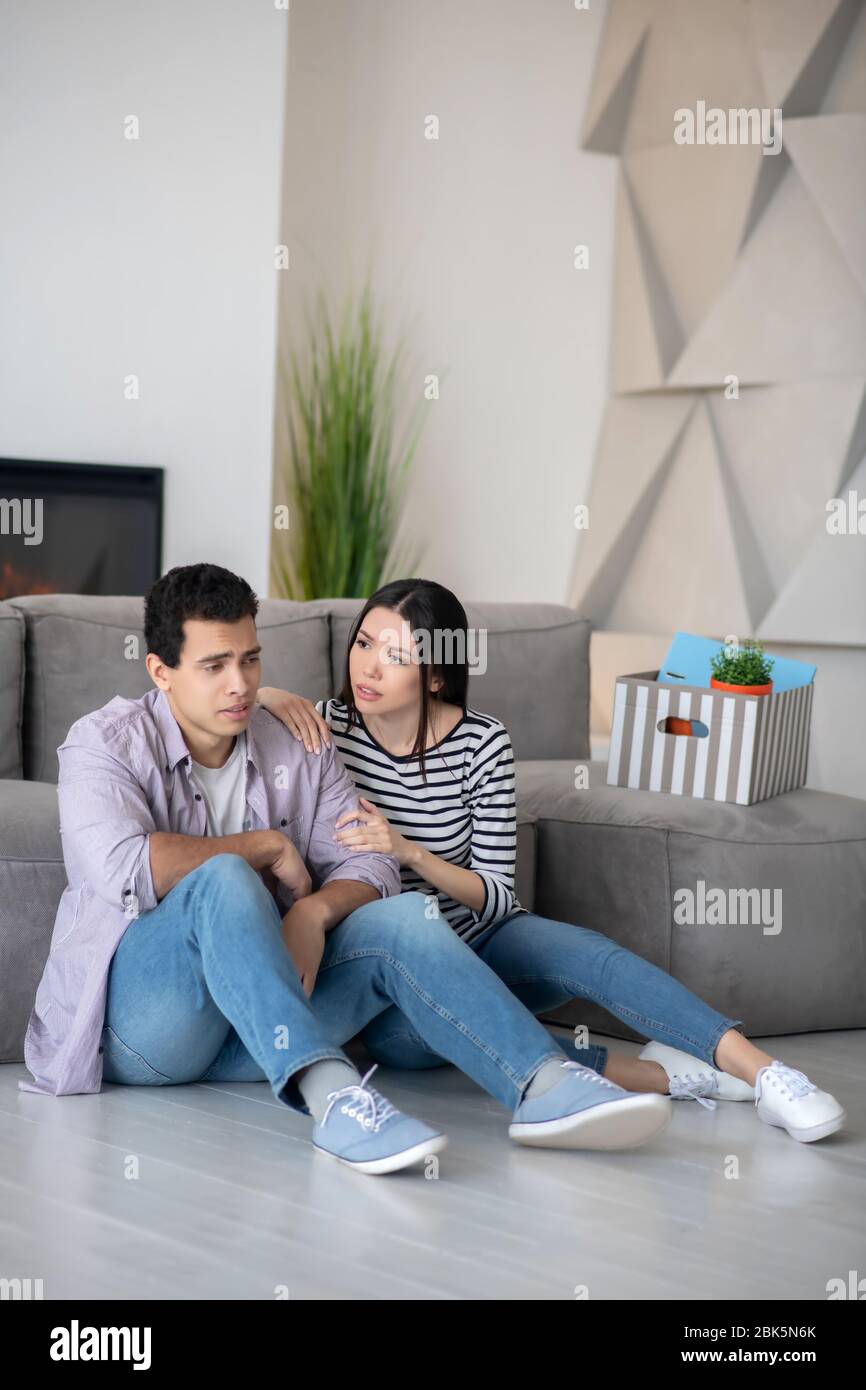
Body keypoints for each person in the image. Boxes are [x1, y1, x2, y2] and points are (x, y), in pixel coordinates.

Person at [19, 563, 677, 1178]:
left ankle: (546, 1087)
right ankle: (335, 1102)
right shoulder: (102, 743)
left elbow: (371, 862)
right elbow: (122, 867)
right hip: (149, 1034)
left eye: (250, 660)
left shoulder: (293, 741)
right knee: (223, 878)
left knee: (402, 914)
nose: (240, 685)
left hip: (256, 1033)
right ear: (160, 671)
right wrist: (265, 847)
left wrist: (314, 909)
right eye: (215, 665)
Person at [257, 577, 846, 1146]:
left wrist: (408, 850)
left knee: (591, 955)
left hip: (483, 938)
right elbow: (231, 707)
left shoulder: (482, 743)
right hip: (399, 983)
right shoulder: (328, 727)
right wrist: (269, 694)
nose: (368, 667)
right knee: (411, 1042)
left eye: (394, 654)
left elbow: (497, 896)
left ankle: (767, 1074)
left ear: (436, 674)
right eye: (363, 643)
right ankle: (659, 1075)